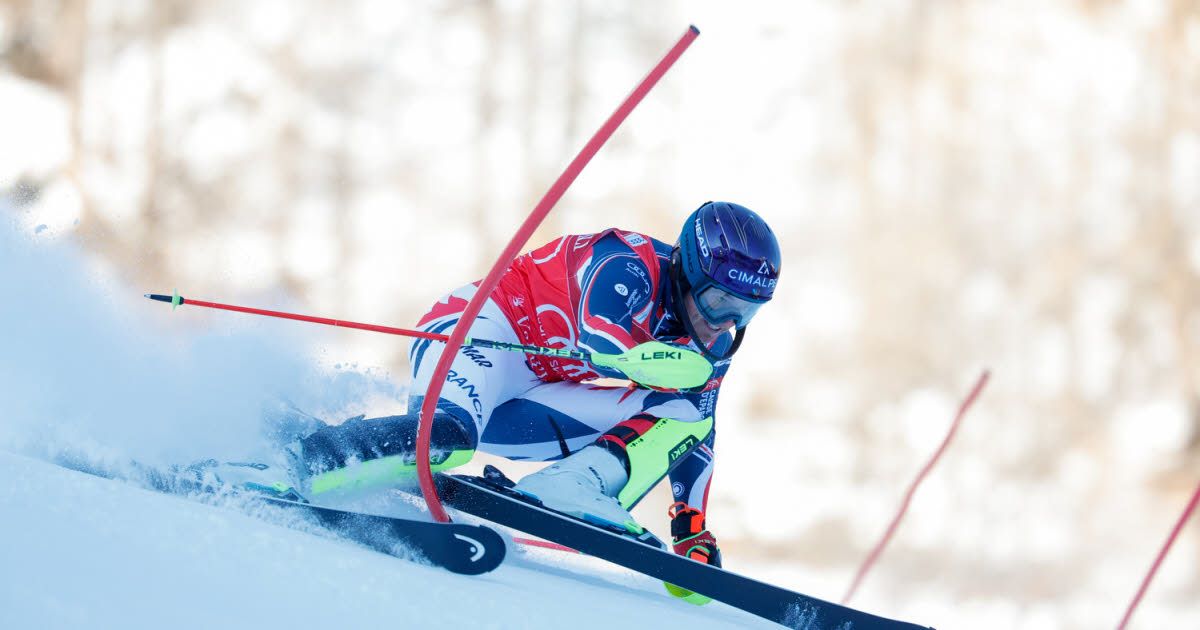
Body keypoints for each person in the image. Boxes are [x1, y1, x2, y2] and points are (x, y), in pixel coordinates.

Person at [203, 200, 781, 580]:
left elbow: (697, 430)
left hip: (534, 393)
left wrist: (690, 523)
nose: (722, 324)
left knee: (686, 414)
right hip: (483, 332)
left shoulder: (708, 348)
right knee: (448, 439)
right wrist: (673, 363)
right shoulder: (627, 263)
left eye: (744, 312)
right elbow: (600, 335)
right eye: (716, 303)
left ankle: (571, 488)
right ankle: (297, 459)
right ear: (687, 272)